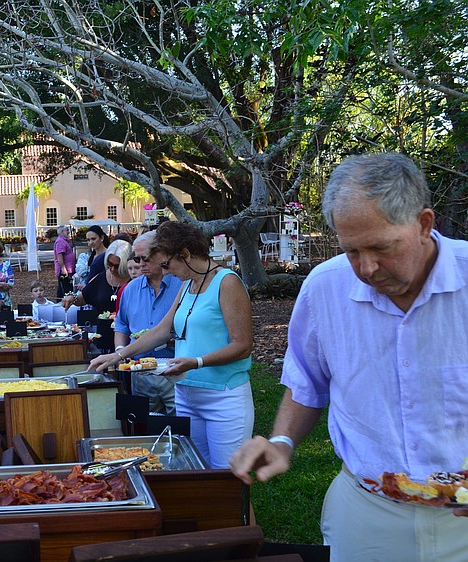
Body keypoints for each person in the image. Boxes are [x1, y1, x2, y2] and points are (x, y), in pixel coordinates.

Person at [228, 153, 468, 560]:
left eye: (381, 247)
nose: (367, 268)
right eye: (351, 250)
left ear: (424, 224)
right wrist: (282, 441)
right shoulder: (325, 287)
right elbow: (307, 381)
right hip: (368, 511)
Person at [89, 221, 253, 469]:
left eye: (166, 265)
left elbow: (242, 345)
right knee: (196, 472)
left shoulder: (227, 282)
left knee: (228, 481)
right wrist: (119, 355)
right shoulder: (188, 284)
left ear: (184, 254)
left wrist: (196, 362)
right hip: (186, 395)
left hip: (223, 397)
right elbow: (162, 330)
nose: (165, 272)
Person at [114, 232, 184, 415]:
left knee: (180, 424)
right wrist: (120, 350)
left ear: (161, 253)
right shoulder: (131, 289)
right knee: (145, 424)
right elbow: (121, 325)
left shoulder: (182, 285)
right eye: (137, 259)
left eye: (145, 258)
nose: (140, 264)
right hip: (141, 372)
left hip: (175, 370)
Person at [63, 239, 132, 315]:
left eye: (117, 266)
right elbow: (83, 298)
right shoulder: (100, 278)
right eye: (109, 264)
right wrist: (72, 298)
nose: (112, 269)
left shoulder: (134, 280)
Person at [54, 225, 76, 298]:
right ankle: (62, 302)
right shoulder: (60, 242)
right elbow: (59, 255)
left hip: (69, 269)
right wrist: (63, 268)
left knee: (68, 288)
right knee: (64, 289)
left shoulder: (64, 241)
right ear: (62, 232)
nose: (68, 232)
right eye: (67, 230)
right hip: (65, 270)